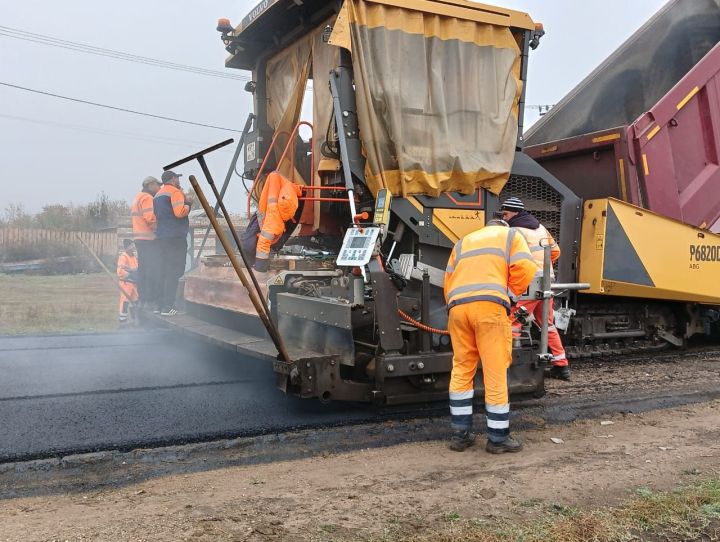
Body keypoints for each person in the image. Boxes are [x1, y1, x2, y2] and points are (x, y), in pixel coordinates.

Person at [444, 219, 536, 453]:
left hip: (457, 308)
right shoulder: (511, 236)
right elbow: (526, 267)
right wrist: (509, 294)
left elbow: (448, 280)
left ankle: (460, 435)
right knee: (494, 371)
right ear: (503, 225)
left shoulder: (463, 242)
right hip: (489, 308)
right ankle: (497, 439)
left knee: (462, 367)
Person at [501, 197, 571, 381]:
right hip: (546, 281)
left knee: (513, 322)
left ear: (514, 212)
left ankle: (506, 367)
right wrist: (542, 266)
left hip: (528, 282)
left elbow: (506, 257)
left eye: (506, 213)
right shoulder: (541, 228)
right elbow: (556, 252)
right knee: (547, 324)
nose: (504, 217)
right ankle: (561, 366)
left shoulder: (513, 231)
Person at [245, 171, 302, 273]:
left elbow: (263, 242)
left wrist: (260, 267)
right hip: (264, 214)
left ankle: (249, 260)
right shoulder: (277, 222)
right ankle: (249, 259)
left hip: (264, 213)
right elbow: (264, 242)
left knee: (247, 244)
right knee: (248, 244)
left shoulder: (274, 224)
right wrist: (260, 265)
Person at [153, 170, 192, 316]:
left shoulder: (158, 195)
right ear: (172, 179)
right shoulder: (175, 192)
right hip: (175, 237)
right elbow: (179, 212)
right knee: (174, 271)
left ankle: (159, 305)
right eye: (177, 178)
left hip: (162, 237)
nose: (178, 180)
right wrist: (188, 203)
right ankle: (168, 307)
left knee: (163, 271)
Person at [130, 176, 161, 309]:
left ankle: (142, 298)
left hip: (139, 239)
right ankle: (150, 300)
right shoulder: (147, 198)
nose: (159, 188)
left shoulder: (137, 197)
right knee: (152, 270)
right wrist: (159, 232)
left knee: (143, 270)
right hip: (148, 240)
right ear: (151, 185)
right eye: (157, 185)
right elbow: (150, 218)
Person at [117, 239, 139, 323]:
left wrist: (134, 273)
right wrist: (130, 274)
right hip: (126, 283)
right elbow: (120, 271)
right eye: (132, 246)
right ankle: (122, 320)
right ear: (127, 247)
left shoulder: (133, 256)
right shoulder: (123, 257)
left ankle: (135, 319)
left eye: (133, 246)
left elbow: (136, 268)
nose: (133, 247)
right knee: (125, 301)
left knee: (136, 301)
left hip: (133, 283)